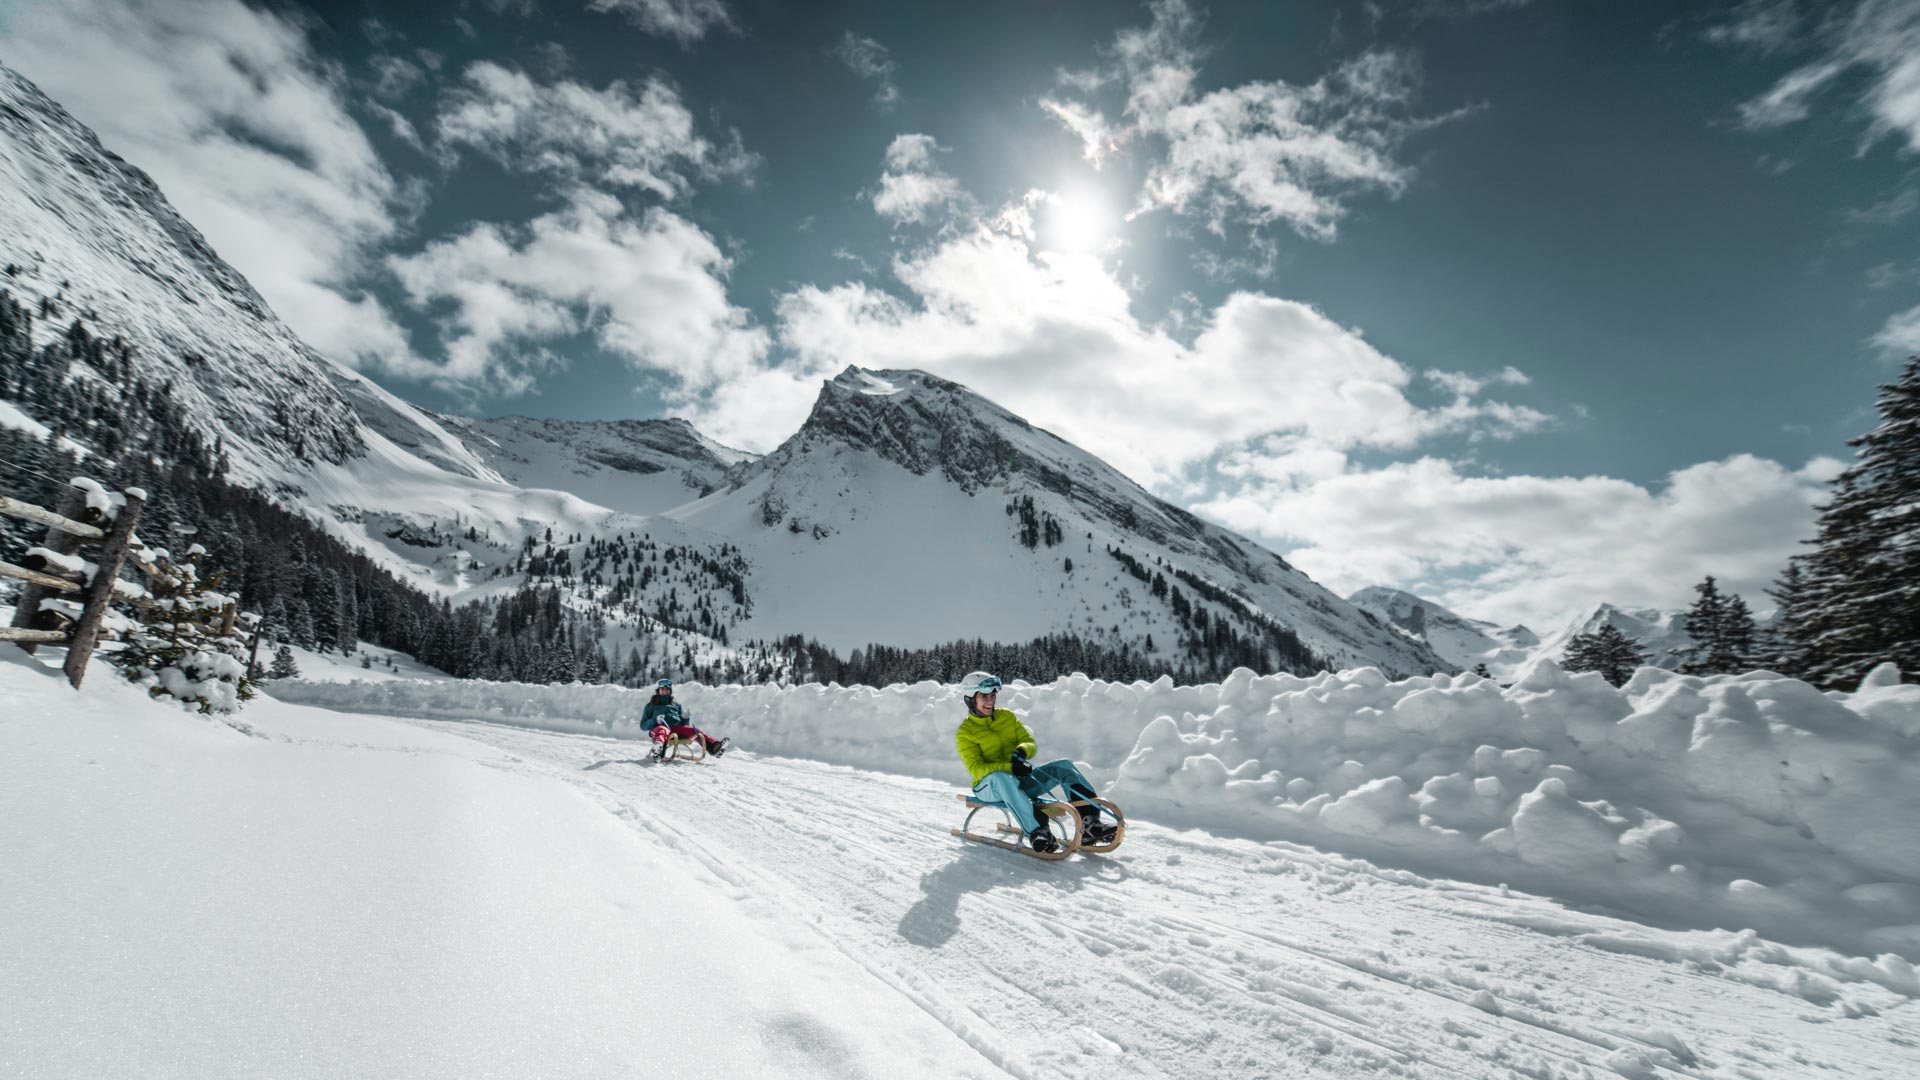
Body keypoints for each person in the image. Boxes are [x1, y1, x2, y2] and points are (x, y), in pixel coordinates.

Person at [954, 671, 1116, 853]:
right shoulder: (965, 732)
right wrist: (1009, 767)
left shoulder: (1006, 717)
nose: (990, 700)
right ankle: (1038, 831)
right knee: (1001, 777)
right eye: (984, 696)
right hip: (989, 787)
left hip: (1019, 780)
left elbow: (1029, 742)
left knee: (1063, 766)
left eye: (992, 695)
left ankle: (1089, 824)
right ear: (970, 698)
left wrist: (1022, 750)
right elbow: (976, 769)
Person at [642, 679, 730, 761]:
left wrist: (685, 718)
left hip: (675, 729)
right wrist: (655, 721)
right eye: (662, 689)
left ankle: (714, 748)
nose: (665, 692)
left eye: (667, 689)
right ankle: (658, 751)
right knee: (663, 729)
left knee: (694, 731)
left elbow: (683, 724)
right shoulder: (651, 706)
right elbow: (643, 725)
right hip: (658, 729)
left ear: (670, 691)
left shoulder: (676, 705)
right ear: (658, 691)